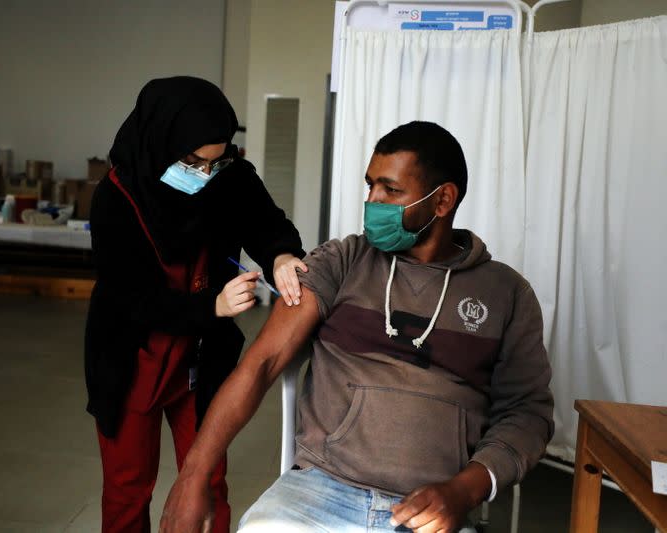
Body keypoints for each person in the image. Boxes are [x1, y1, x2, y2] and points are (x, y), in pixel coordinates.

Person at [160, 121, 554, 533]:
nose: (372, 201)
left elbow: (527, 413)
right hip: (317, 491)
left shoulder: (505, 293)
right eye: (370, 186)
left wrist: (464, 491)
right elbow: (262, 362)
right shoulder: (343, 261)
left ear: (443, 201)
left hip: (429, 505)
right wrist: (193, 477)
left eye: (390, 190)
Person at [84, 76, 307, 533]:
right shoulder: (117, 198)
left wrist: (282, 253)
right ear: (162, 143)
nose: (205, 174)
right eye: (192, 162)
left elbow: (265, 223)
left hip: (200, 361)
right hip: (134, 357)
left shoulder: (228, 177)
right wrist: (214, 307)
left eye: (216, 161)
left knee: (207, 478)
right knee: (128, 488)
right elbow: (132, 298)